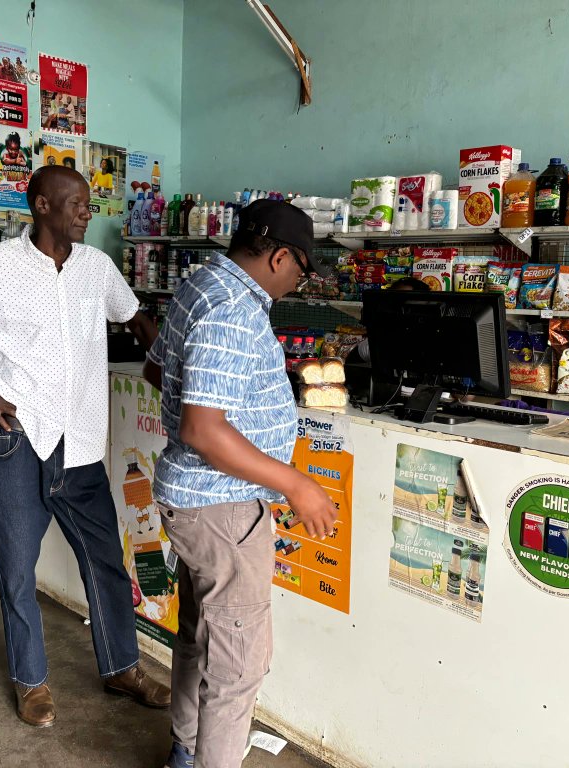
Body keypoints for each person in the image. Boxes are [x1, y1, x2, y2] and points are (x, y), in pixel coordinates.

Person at [0, 165, 170, 728]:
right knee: (17, 570)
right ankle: (31, 680)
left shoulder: (97, 267)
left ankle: (122, 668)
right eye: (77, 204)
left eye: (89, 204)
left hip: (80, 443)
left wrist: (172, 371)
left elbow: (137, 321)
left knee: (107, 563)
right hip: (17, 441)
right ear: (42, 206)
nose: (88, 212)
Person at [143, 200, 339, 768]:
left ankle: (186, 750)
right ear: (280, 258)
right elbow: (203, 430)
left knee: (200, 635)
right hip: (221, 507)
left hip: (194, 500)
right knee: (238, 667)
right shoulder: (233, 308)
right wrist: (296, 484)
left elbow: (157, 368)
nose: (298, 283)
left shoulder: (200, 284)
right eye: (301, 271)